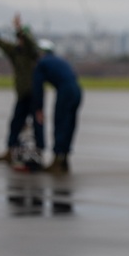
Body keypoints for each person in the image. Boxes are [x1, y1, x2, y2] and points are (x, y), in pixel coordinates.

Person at [0, 13, 44, 163]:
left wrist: (19, 28)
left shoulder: (32, 52)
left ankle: (40, 152)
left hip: (34, 93)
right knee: (15, 123)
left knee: (37, 124)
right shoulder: (15, 52)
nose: (20, 40)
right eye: (19, 38)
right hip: (22, 95)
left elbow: (30, 44)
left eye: (22, 37)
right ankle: (10, 150)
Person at [29, 38, 83, 174]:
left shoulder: (41, 63)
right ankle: (64, 159)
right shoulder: (59, 60)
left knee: (60, 123)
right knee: (70, 124)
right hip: (77, 89)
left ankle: (57, 161)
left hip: (65, 90)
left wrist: (39, 108)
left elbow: (38, 88)